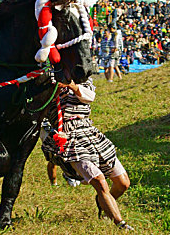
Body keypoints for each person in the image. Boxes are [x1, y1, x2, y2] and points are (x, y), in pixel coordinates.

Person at [41, 78, 133, 231]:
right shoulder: (48, 80)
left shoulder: (83, 78)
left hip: (89, 132)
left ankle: (102, 202)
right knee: (99, 181)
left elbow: (89, 96)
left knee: (123, 183)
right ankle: (120, 224)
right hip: (67, 135)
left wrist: (73, 86)